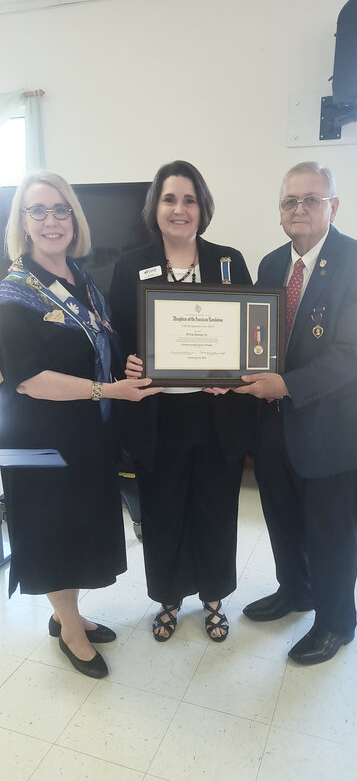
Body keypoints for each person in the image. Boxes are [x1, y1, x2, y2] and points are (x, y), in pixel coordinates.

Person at [0, 171, 161, 679]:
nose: (51, 220)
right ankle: (68, 627)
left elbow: (99, 350)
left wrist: (124, 371)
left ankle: (67, 613)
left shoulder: (82, 279)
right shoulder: (12, 293)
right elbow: (30, 381)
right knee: (51, 533)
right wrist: (109, 390)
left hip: (84, 435)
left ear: (74, 218)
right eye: (38, 211)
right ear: (22, 223)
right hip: (37, 443)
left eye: (60, 209)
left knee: (77, 528)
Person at [236, 161, 357, 665]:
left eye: (311, 199)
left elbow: (355, 351)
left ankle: (337, 622)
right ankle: (295, 590)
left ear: (332, 207)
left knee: (331, 532)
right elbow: (258, 340)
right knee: (281, 517)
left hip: (334, 429)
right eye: (289, 201)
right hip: (276, 423)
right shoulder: (272, 264)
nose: (299, 209)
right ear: (280, 211)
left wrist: (286, 384)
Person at [110, 160, 257, 642]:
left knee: (215, 509)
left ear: (203, 207)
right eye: (170, 199)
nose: (179, 209)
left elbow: (253, 335)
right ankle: (169, 599)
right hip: (158, 416)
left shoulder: (229, 261)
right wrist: (128, 365)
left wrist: (236, 373)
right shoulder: (130, 265)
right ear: (156, 207)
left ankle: (214, 597)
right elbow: (118, 341)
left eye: (189, 199)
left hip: (217, 414)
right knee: (164, 510)